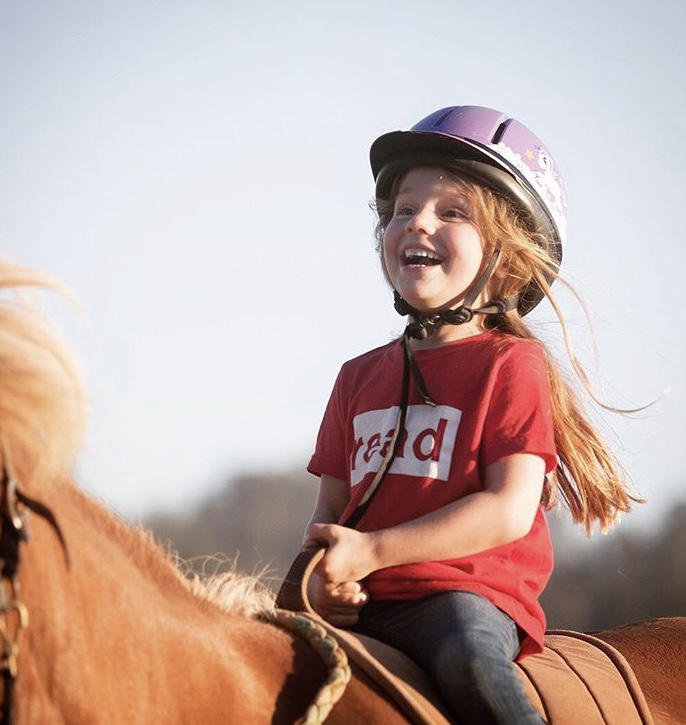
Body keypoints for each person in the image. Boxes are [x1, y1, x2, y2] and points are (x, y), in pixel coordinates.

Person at [302, 105, 640, 724]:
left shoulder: (511, 366)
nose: (418, 223)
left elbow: (508, 509)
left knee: (470, 667)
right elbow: (331, 509)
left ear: (506, 258)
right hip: (364, 599)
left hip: (461, 600)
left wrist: (372, 551)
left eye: (451, 212)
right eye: (403, 209)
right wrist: (324, 575)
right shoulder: (356, 376)